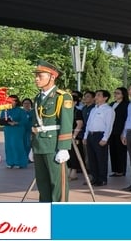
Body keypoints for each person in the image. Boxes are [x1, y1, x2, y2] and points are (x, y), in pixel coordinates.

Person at [31, 60, 74, 202]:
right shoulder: (38, 98)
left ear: (52, 77)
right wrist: (32, 146)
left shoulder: (62, 97)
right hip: (39, 145)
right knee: (42, 183)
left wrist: (64, 148)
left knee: (57, 183)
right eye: (36, 75)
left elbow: (66, 123)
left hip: (54, 144)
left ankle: (59, 213)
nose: (36, 78)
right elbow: (36, 124)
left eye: (40, 75)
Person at [83, 90, 115, 186]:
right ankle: (94, 177)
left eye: (99, 95)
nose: (96, 97)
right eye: (96, 95)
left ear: (105, 98)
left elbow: (109, 125)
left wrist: (105, 138)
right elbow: (88, 124)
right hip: (91, 135)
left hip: (100, 135)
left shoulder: (108, 110)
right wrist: (85, 136)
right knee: (91, 158)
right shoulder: (94, 109)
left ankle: (102, 179)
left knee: (101, 158)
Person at [2, 95, 29, 169]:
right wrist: (4, 121)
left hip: (18, 129)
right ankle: (10, 162)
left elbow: (25, 120)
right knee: (9, 145)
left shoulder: (20, 110)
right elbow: (2, 118)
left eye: (13, 101)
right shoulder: (5, 110)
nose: (11, 102)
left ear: (16, 102)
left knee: (17, 145)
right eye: (10, 100)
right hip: (8, 130)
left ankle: (20, 162)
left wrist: (16, 123)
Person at [109, 87, 130, 177]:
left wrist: (124, 132)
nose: (115, 94)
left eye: (118, 93)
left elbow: (126, 119)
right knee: (112, 150)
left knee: (120, 151)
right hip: (111, 130)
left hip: (120, 130)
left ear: (123, 94)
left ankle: (121, 170)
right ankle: (115, 170)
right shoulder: (112, 104)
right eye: (115, 93)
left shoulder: (126, 105)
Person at [68, 94, 84, 181]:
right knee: (68, 154)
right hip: (66, 135)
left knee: (74, 154)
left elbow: (79, 124)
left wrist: (74, 135)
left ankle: (74, 172)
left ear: (75, 102)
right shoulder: (65, 112)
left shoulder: (77, 112)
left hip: (74, 136)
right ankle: (68, 170)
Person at [22, 98, 33, 162]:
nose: (26, 105)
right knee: (22, 144)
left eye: (28, 103)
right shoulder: (21, 112)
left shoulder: (32, 112)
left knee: (28, 144)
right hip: (22, 130)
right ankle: (23, 158)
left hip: (30, 131)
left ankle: (28, 157)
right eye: (25, 103)